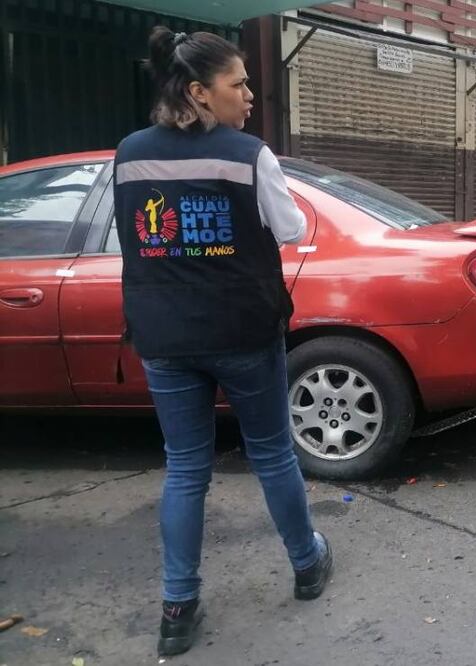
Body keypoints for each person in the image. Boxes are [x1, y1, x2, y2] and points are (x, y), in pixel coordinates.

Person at [115, 27, 332, 657]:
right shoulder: (248, 154)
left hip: (164, 334)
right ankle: (306, 564)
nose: (250, 94)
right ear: (198, 92)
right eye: (238, 83)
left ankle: (177, 607)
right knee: (273, 454)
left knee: (185, 468)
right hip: (241, 330)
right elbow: (290, 229)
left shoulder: (129, 154)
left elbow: (131, 236)